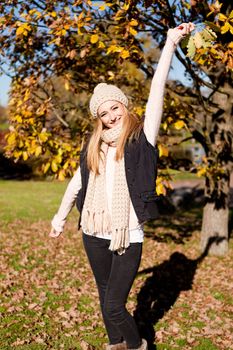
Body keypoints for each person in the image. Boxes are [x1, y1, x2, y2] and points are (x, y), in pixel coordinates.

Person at [49, 23, 195, 350]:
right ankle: (114, 344)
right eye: (103, 114)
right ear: (98, 118)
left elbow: (157, 92)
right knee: (104, 294)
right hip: (92, 230)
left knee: (114, 305)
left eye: (114, 108)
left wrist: (170, 43)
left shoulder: (140, 139)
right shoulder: (94, 146)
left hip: (127, 233)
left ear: (123, 105)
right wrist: (59, 219)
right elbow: (76, 183)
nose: (111, 116)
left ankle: (136, 345)